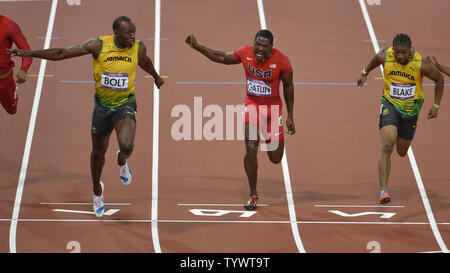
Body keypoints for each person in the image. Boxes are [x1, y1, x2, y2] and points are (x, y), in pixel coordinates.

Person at [8, 16, 164, 216]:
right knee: (98, 153)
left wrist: (156, 76)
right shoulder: (98, 45)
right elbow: (62, 53)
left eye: (134, 32)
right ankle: (97, 191)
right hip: (101, 108)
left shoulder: (138, 48)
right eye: (128, 33)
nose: (133, 36)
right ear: (116, 34)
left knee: (127, 145)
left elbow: (144, 61)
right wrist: (29, 53)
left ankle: (122, 161)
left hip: (124, 105)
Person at [185, 29, 295, 210]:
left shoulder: (282, 61)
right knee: (251, 145)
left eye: (264, 46)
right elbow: (219, 56)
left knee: (276, 158)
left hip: (273, 112)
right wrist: (197, 46)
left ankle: (262, 151)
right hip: (251, 106)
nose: (259, 49)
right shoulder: (245, 53)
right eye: (257, 45)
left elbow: (289, 87)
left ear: (271, 47)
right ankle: (253, 194)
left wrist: (290, 116)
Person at [357, 33, 444, 204]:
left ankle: (397, 131)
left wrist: (436, 105)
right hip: (390, 105)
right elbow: (376, 59)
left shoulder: (421, 64)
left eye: (403, 52)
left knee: (402, 152)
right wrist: (364, 72)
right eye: (397, 52)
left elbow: (439, 79)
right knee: (388, 143)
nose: (400, 56)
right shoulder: (386, 56)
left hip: (411, 112)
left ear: (410, 49)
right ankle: (384, 190)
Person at [0, 15, 32, 114]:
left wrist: (23, 69)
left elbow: (26, 51)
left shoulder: (9, 26)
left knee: (11, 110)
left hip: (4, 80)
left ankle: (14, 96)